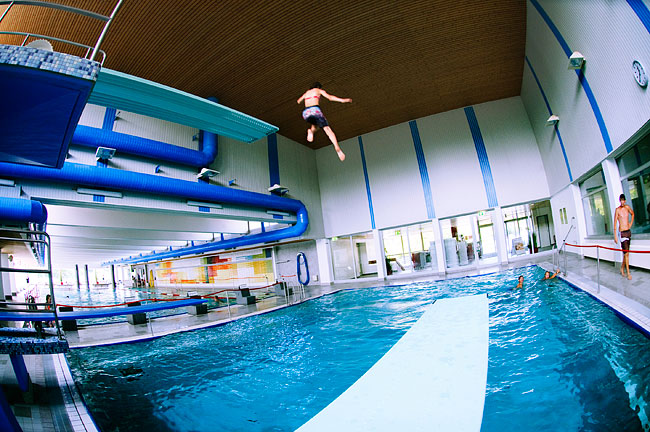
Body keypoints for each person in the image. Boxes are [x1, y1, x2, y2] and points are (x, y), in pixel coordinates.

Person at [297, 82, 352, 161]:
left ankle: (311, 131)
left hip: (306, 113)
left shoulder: (307, 93)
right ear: (319, 87)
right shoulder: (319, 90)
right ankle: (337, 148)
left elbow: (298, 101)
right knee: (327, 130)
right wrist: (342, 100)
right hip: (315, 110)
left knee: (315, 125)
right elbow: (330, 97)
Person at [614, 193, 635, 280]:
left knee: (626, 254)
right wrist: (615, 236)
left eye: (623, 200)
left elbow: (633, 214)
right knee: (626, 254)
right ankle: (628, 273)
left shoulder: (627, 208)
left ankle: (622, 268)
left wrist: (630, 223)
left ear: (625, 200)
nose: (622, 202)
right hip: (622, 233)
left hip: (628, 232)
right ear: (619, 201)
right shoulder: (617, 210)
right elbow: (615, 223)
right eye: (621, 200)